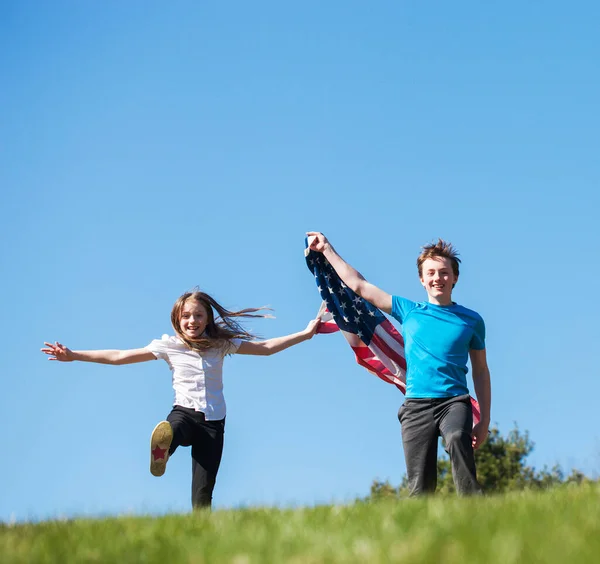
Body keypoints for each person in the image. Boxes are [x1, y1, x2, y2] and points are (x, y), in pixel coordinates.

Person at [41, 290, 320, 509]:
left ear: (207, 319)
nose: (192, 321)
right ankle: (164, 449)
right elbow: (119, 356)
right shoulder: (169, 346)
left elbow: (267, 348)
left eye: (198, 316)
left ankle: (201, 536)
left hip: (213, 425)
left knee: (202, 496)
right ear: (178, 319)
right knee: (173, 427)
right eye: (186, 316)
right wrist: (74, 354)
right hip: (184, 413)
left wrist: (305, 334)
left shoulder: (221, 345)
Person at [307, 232, 491, 496]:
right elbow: (359, 286)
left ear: (455, 277)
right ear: (422, 279)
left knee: (455, 438)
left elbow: (481, 371)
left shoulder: (472, 321)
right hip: (416, 406)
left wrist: (484, 419)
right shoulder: (409, 310)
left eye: (443, 272)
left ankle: (473, 508)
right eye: (431, 273)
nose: (437, 278)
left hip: (454, 401)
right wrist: (327, 249)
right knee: (419, 488)